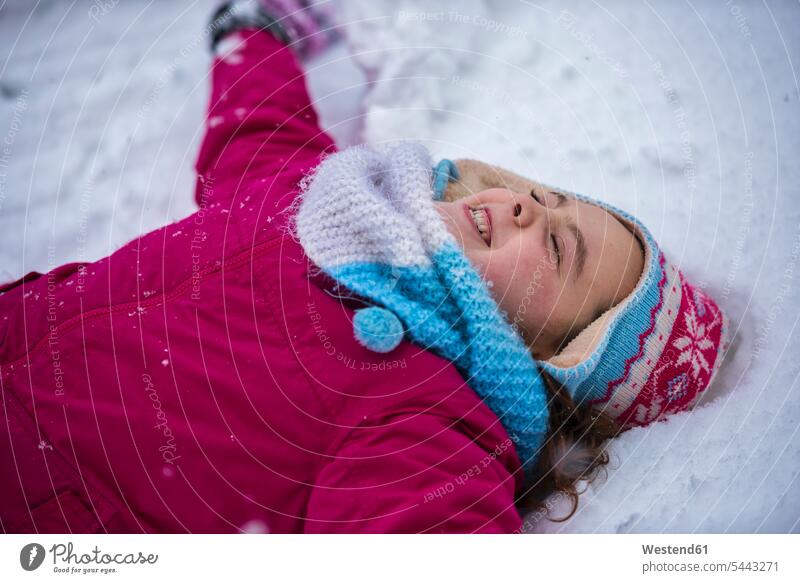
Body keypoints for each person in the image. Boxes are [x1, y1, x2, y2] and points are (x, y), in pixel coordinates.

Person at [0, 3, 728, 534]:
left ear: (553, 354)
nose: (526, 210)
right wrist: (256, 36)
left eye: (560, 249)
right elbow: (260, 131)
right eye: (545, 195)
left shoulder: (434, 423)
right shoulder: (339, 202)